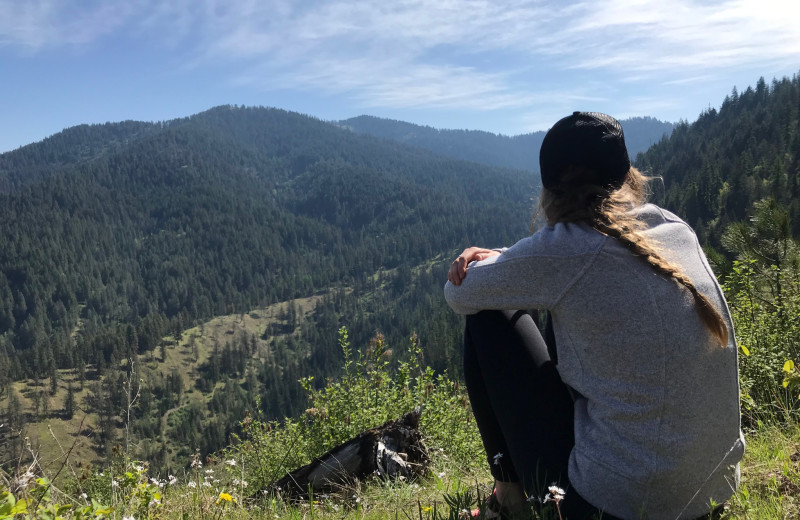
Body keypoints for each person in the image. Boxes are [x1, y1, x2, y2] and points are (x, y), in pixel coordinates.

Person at [443, 112, 744, 520]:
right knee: (561, 308)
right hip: (711, 490)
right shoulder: (673, 229)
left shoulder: (565, 249)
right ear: (628, 176)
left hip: (615, 507)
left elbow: (460, 293)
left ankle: (510, 496)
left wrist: (492, 261)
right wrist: (510, 261)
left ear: (550, 191)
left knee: (488, 316)